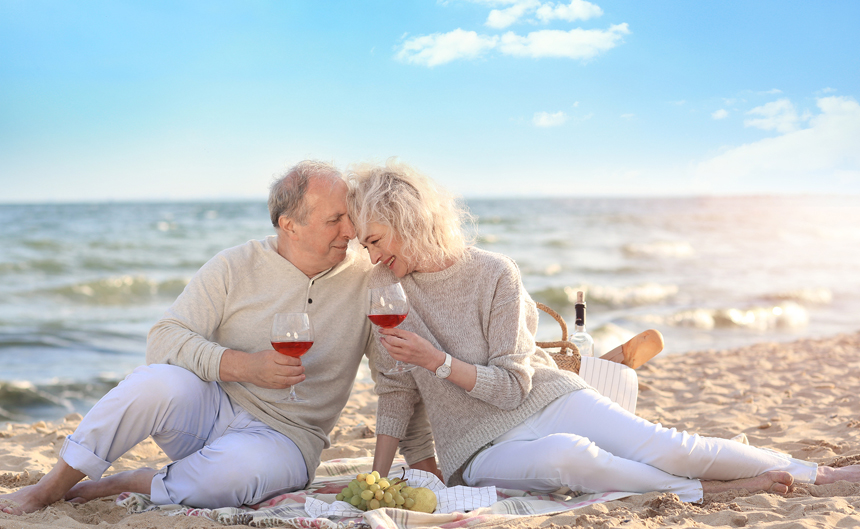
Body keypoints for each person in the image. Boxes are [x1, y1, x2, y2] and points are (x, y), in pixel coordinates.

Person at [346, 160, 860, 503]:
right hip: (478, 450)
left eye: (375, 240)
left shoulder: (494, 272)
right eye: (365, 247)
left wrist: (434, 360)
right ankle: (706, 492)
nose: (372, 257)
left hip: (546, 398)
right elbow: (396, 392)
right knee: (570, 457)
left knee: (667, 445)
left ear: (406, 219)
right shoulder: (385, 288)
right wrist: (382, 475)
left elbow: (513, 386)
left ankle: (819, 473)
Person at [0, 160, 439, 515]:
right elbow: (164, 339)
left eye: (350, 217)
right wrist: (242, 365)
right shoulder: (235, 265)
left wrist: (424, 464)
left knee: (230, 478)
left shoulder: (368, 281)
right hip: (210, 411)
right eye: (335, 219)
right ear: (290, 224)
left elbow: (395, 380)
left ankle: (137, 480)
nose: (350, 231)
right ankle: (50, 487)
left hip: (286, 439)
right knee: (152, 382)